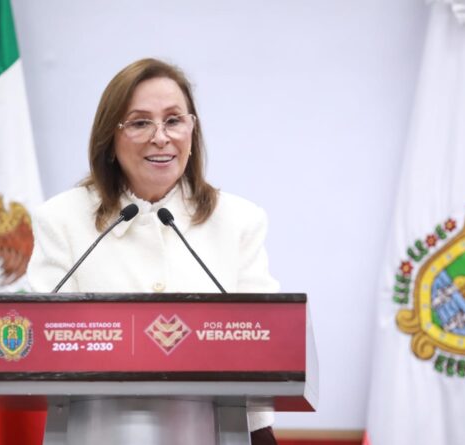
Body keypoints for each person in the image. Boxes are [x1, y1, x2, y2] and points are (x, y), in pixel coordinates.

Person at [27, 58, 279, 445]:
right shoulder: (61, 219)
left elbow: (263, 347)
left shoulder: (239, 221)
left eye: (174, 120)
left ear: (192, 131)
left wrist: (261, 433)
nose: (160, 137)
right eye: (140, 123)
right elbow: (43, 348)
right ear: (110, 139)